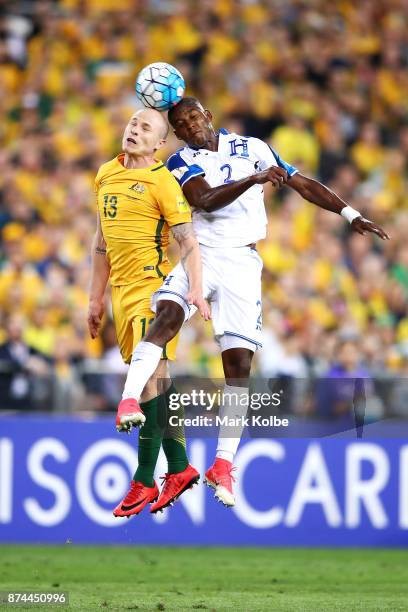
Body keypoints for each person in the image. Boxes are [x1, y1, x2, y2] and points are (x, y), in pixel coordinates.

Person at [120, 97, 389, 508]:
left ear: (208, 115)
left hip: (243, 263)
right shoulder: (177, 162)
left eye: (193, 116)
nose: (190, 126)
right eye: (180, 124)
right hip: (201, 253)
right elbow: (205, 200)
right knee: (167, 316)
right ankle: (128, 399)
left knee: (239, 368)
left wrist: (351, 214)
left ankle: (223, 464)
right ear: (175, 133)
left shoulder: (254, 147)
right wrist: (255, 179)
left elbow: (301, 183)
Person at [88, 107, 209, 517]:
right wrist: (94, 297)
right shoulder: (106, 173)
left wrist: (194, 287)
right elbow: (101, 242)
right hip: (120, 294)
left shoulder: (163, 181)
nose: (134, 131)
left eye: (146, 128)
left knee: (146, 388)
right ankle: (178, 466)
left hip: (150, 291)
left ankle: (143, 479)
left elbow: (188, 241)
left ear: (160, 143)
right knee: (160, 382)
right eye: (132, 124)